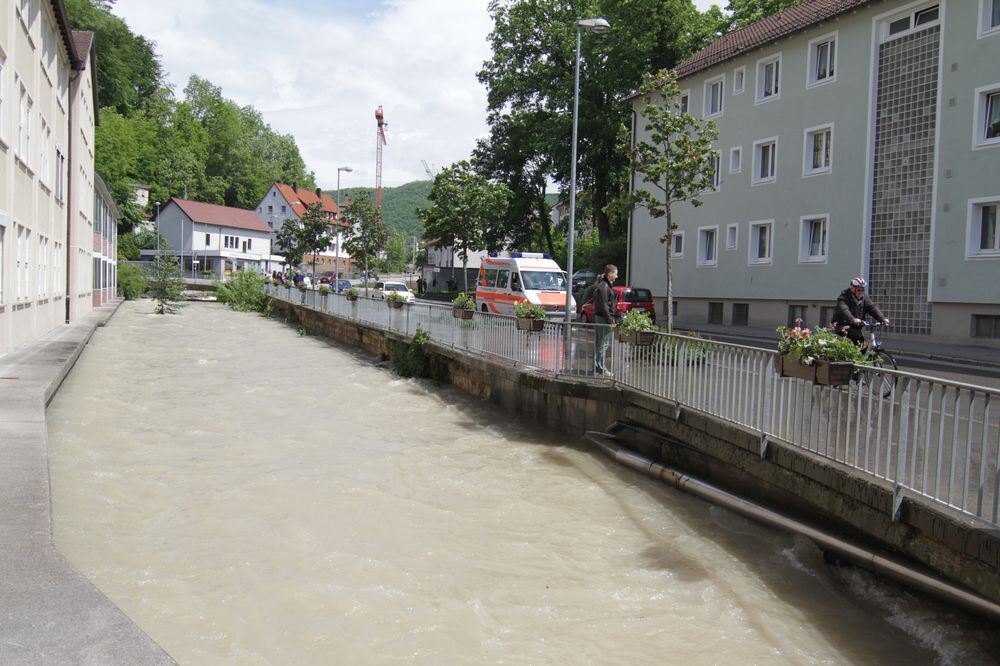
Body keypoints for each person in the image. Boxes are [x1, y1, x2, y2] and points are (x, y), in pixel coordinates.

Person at [833, 277, 890, 346]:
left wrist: (882, 318)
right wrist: (852, 319)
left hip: (856, 329)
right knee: (857, 345)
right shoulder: (843, 298)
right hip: (842, 327)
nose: (861, 292)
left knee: (863, 346)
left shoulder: (864, 298)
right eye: (859, 290)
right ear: (852, 289)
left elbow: (872, 308)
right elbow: (844, 309)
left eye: (863, 290)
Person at [593, 264, 618, 376]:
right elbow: (604, 306)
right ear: (610, 273)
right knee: (603, 344)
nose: (617, 276)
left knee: (600, 343)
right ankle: (601, 368)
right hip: (603, 319)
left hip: (601, 317)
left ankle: (598, 367)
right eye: (615, 273)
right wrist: (610, 321)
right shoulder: (604, 287)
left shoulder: (603, 285)